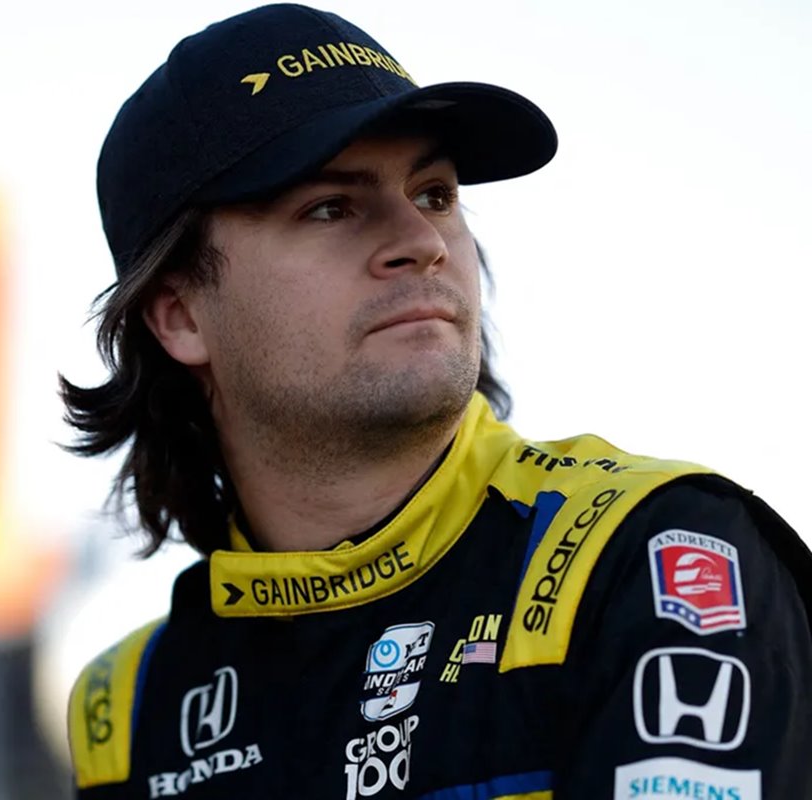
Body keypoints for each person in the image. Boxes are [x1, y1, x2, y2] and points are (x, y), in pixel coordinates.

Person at [60, 5, 812, 798]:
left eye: (435, 194)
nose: (421, 241)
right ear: (180, 315)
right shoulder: (127, 708)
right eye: (330, 207)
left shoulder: (649, 555)